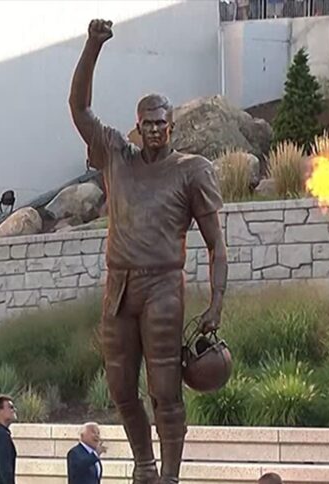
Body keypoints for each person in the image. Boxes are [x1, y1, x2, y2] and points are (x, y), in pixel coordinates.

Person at [69, 18, 228, 484]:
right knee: (120, 387)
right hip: (118, 284)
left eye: (162, 123)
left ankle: (171, 475)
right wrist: (93, 46)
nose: (155, 130)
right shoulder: (116, 156)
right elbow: (78, 107)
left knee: (164, 388)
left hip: (163, 285)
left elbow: (216, 245)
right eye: (147, 124)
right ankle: (144, 464)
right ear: (137, 128)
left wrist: (216, 303)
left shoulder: (191, 170)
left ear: (171, 126)